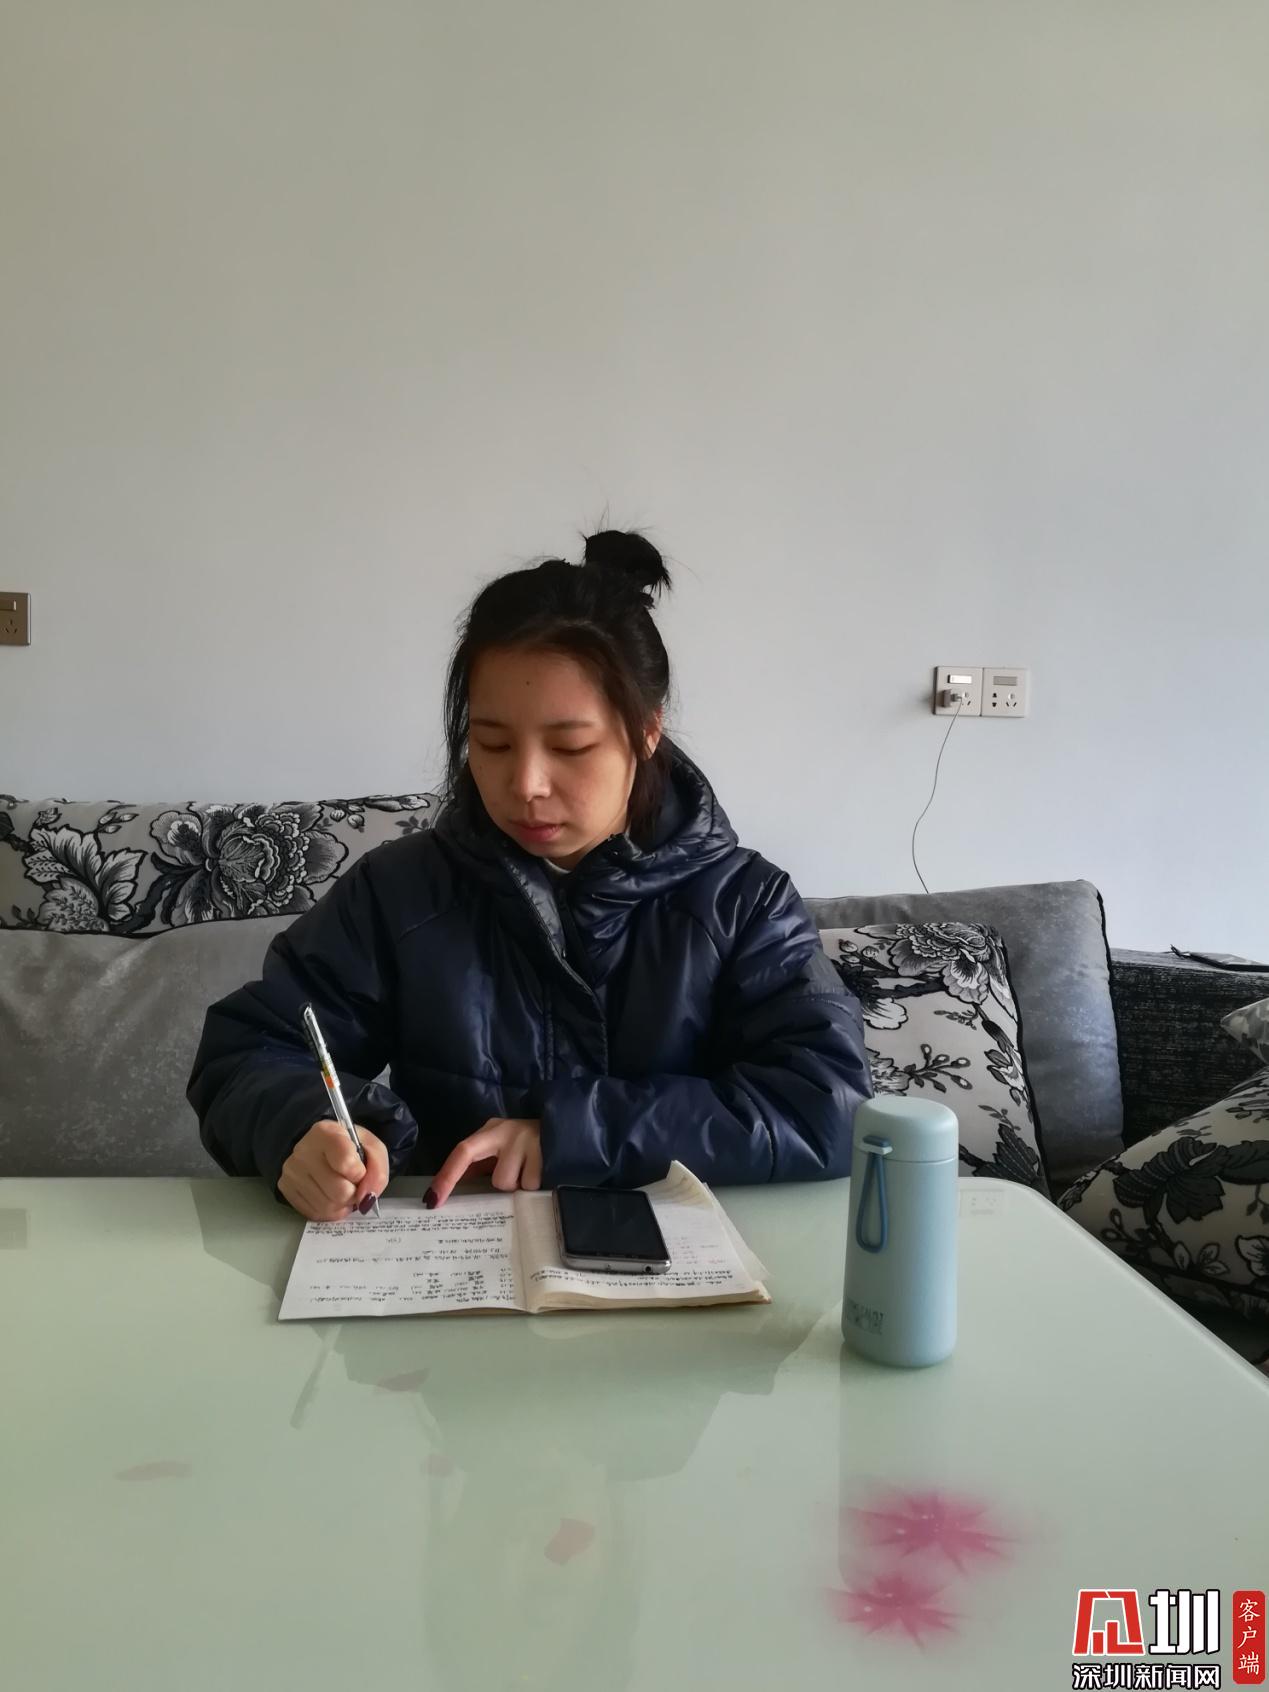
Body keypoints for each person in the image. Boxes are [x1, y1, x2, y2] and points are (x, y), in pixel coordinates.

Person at [188, 528, 870, 1221]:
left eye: (570, 747)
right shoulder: (398, 893)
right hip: (449, 1252)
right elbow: (249, 1050)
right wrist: (299, 1127)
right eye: (492, 743)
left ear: (647, 731)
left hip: (685, 1261)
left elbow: (830, 1105)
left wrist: (571, 1134)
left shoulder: (744, 903)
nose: (525, 784)